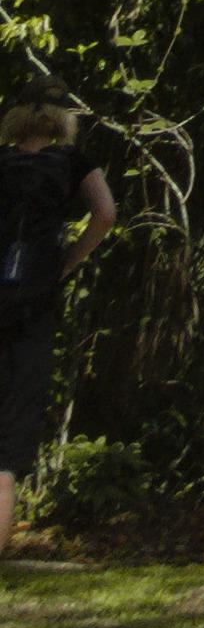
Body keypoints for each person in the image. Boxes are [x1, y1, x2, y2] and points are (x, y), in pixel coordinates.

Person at [0, 93, 115, 549]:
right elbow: (105, 214)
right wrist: (67, 262)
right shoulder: (73, 162)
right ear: (60, 124)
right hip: (34, 300)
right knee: (7, 443)